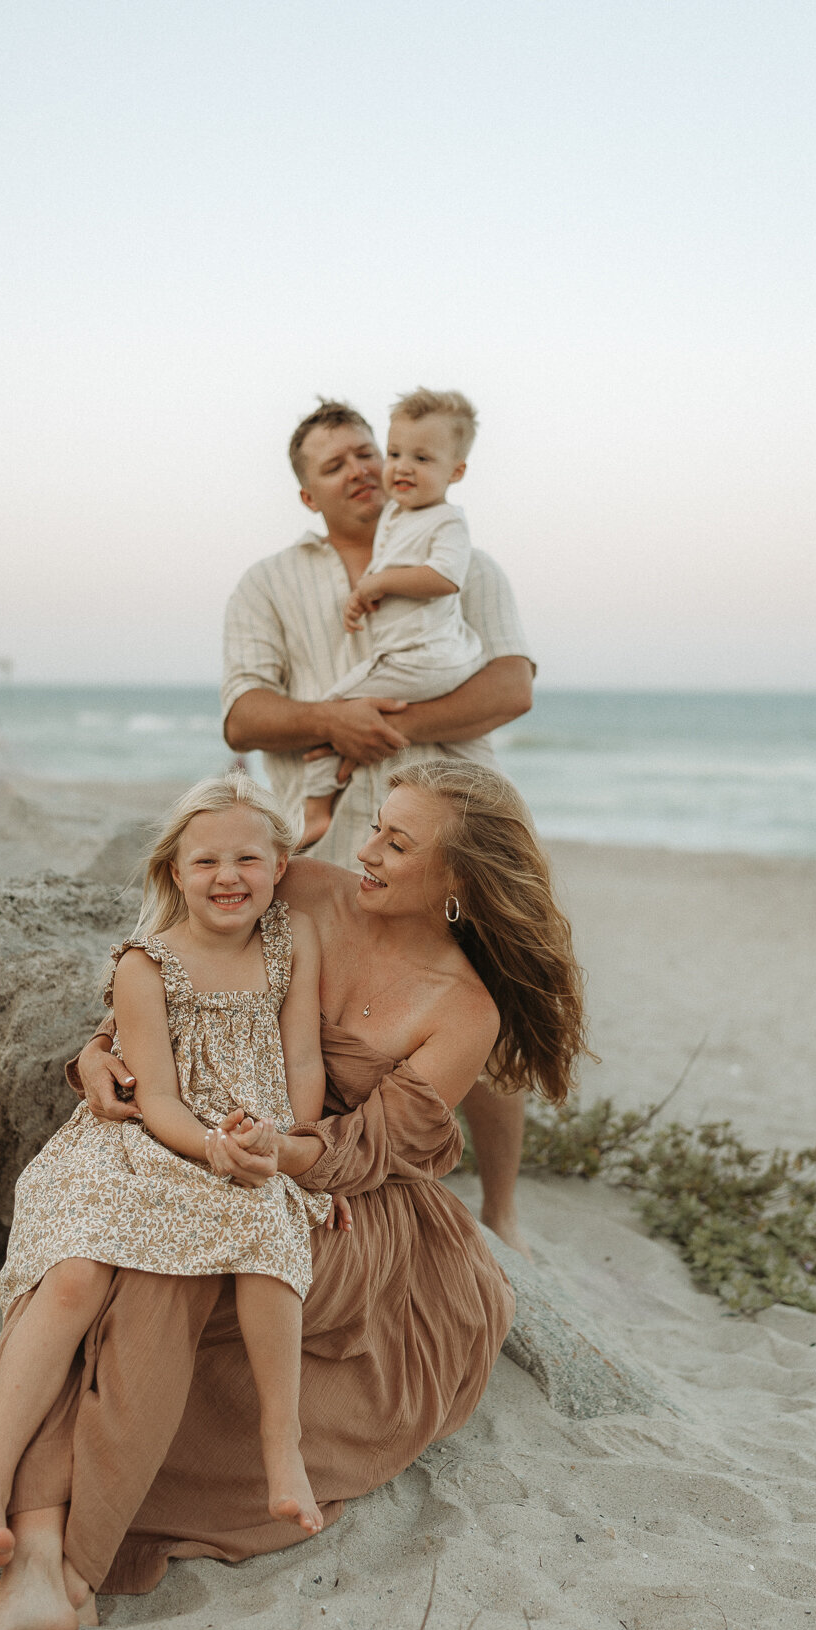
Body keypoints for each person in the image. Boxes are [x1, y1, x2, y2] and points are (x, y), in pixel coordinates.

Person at [0, 759, 586, 1630]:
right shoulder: (302, 887)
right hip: (211, 1146)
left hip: (347, 1198)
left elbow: (369, 1150)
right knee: (131, 1258)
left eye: (397, 840)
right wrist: (98, 1055)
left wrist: (279, 1155)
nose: (366, 849)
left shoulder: (462, 1008)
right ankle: (37, 1557)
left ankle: (64, 1561)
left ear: (460, 882)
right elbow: (182, 978)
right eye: (374, 823)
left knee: (168, 1270)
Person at [0, 775, 334, 1581]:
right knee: (71, 1278)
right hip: (140, 1143)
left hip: (252, 1138)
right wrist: (207, 1147)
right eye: (205, 862)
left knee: (268, 1236)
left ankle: (281, 1449)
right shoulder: (145, 965)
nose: (226, 876)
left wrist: (285, 1143)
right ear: (172, 872)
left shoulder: (291, 941)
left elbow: (302, 1058)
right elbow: (154, 1098)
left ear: (277, 865)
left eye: (246, 858)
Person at [222, 397, 536, 1248]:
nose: (360, 469)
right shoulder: (267, 583)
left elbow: (511, 688)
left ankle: (502, 1209)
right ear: (306, 495)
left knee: (485, 1004)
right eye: (334, 465)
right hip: (325, 841)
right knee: (324, 1022)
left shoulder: (461, 557)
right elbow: (243, 718)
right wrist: (334, 722)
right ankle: (329, 1186)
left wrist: (383, 729)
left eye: (366, 452)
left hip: (456, 831)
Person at [300, 390, 484, 846]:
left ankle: (314, 811)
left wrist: (377, 584)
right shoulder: (397, 519)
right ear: (308, 496)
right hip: (419, 653)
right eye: (396, 453)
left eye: (421, 457)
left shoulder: (447, 521)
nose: (401, 467)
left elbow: (444, 576)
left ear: (455, 471)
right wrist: (363, 598)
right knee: (341, 717)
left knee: (337, 708)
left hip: (425, 655)